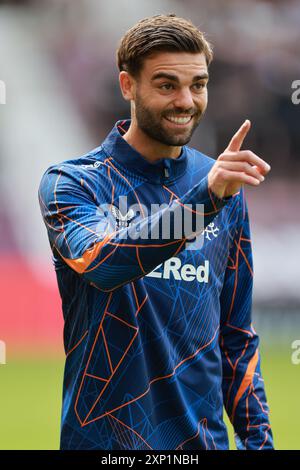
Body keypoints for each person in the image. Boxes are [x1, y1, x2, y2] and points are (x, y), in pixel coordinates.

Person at [39, 14, 273, 450]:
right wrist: (206, 200)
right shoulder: (72, 183)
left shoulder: (222, 189)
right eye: (167, 85)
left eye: (198, 85)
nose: (185, 100)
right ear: (128, 86)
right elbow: (103, 263)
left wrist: (260, 442)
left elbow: (235, 335)